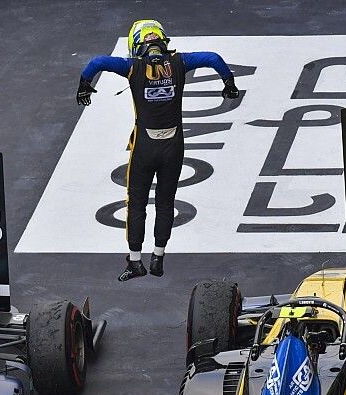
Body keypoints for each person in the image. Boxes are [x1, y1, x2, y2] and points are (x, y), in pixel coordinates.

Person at [77, 19, 239, 281]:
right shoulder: (179, 63)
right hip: (174, 145)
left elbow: (97, 63)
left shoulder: (133, 67)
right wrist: (228, 83)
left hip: (145, 146)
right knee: (166, 202)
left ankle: (135, 262)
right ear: (164, 42)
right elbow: (213, 58)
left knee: (136, 203)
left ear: (136, 45)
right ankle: (158, 258)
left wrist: (84, 85)